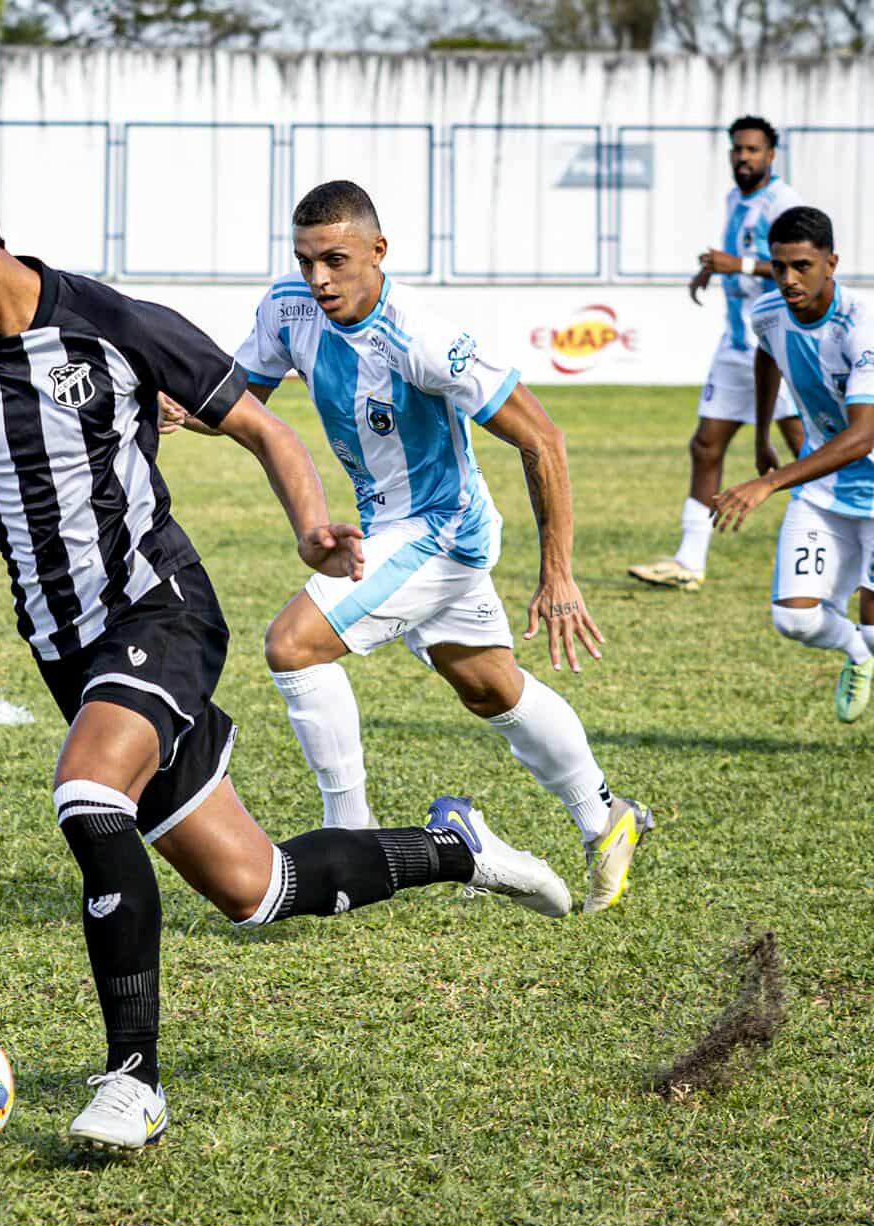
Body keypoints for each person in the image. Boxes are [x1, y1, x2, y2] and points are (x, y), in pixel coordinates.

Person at [0, 164, 571, 1154]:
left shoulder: (112, 323)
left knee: (87, 793)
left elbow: (260, 426)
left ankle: (132, 1082)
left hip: (161, 608)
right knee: (256, 887)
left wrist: (313, 524)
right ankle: (459, 848)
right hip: (65, 648)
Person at [229, 180, 651, 915]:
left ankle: (349, 834)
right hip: (402, 530)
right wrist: (163, 399)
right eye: (305, 261)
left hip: (437, 530)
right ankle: (602, 815)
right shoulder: (287, 310)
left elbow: (542, 437)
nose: (319, 279)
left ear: (377, 252)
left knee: (294, 646)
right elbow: (238, 397)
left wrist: (559, 575)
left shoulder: (420, 336)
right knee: (489, 686)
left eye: (335, 259)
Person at [712, 206, 874, 722]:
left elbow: (864, 433)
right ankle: (857, 653)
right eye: (779, 266)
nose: (788, 278)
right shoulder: (768, 312)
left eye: (801, 266)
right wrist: (764, 435)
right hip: (824, 486)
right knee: (794, 620)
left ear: (831, 262)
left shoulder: (862, 324)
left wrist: (769, 484)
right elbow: (767, 353)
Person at [629, 116, 805, 591]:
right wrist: (715, 272)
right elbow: (739, 265)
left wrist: (739, 265)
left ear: (771, 155)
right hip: (734, 344)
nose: (742, 157)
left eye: (752, 149)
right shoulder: (736, 199)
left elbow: (801, 268)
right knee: (706, 445)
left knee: (804, 449)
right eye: (736, 149)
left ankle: (845, 545)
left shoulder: (783, 203)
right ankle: (689, 560)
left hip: (775, 344)